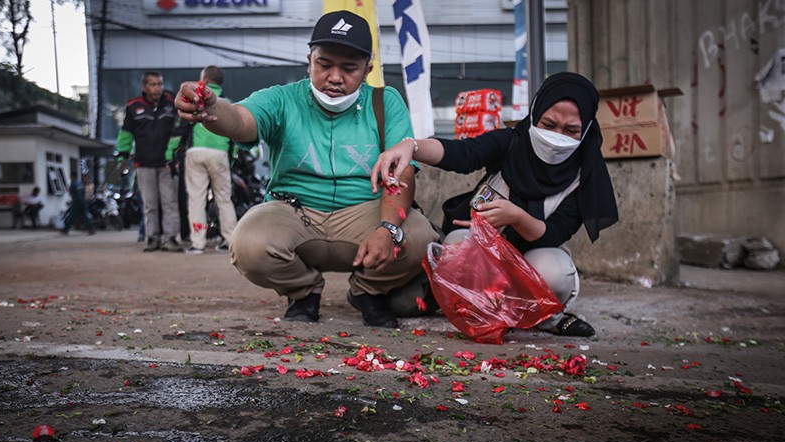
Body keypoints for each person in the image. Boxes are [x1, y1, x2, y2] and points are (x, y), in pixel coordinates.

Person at [175, 10, 438, 328]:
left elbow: (403, 172)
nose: (335, 77)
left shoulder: (386, 102)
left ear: (367, 70)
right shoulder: (282, 99)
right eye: (324, 64)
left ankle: (368, 291)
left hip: (365, 213)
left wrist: (387, 229)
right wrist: (210, 106)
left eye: (349, 68)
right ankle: (303, 292)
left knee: (419, 237)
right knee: (249, 244)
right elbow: (242, 120)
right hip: (294, 213)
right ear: (309, 60)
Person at [372, 72, 619, 337]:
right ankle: (486, 311)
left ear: (586, 131)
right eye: (548, 124)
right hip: (486, 256)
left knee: (556, 272)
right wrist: (411, 147)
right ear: (535, 113)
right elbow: (462, 154)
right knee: (458, 249)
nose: (556, 137)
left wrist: (516, 217)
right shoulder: (510, 142)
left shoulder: (584, 175)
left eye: (571, 131)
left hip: (532, 261)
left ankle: (545, 317)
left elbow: (557, 232)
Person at [116, 71, 184, 252]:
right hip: (144, 164)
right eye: (153, 85)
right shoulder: (133, 107)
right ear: (144, 87)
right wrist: (122, 155)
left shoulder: (171, 105)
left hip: (167, 164)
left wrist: (176, 152)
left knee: (170, 203)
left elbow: (181, 129)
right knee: (150, 204)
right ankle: (152, 239)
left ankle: (170, 239)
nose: (157, 88)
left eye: (159, 84)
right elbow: (126, 135)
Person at [180, 66, 237, 255]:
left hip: (196, 152)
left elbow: (182, 129)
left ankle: (198, 243)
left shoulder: (194, 100)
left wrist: (171, 154)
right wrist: (232, 159)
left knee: (196, 199)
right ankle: (230, 241)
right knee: (223, 199)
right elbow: (235, 135)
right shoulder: (228, 103)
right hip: (220, 153)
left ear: (204, 79)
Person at [62, 171, 95, 235]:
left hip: (76, 202)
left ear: (72, 176)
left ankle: (66, 229)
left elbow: (71, 193)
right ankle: (91, 229)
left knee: (72, 216)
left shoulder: (73, 183)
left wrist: (74, 200)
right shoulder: (80, 183)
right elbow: (83, 192)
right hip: (83, 201)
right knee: (85, 215)